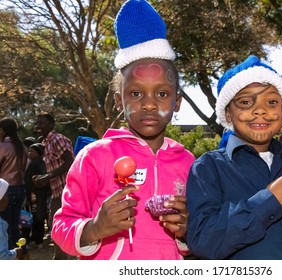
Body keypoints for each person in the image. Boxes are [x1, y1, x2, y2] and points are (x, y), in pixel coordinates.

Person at [51, 0, 195, 260]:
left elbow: (196, 237)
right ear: (119, 101)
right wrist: (94, 228)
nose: (149, 103)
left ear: (177, 102)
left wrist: (187, 233)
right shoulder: (94, 157)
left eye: (162, 93)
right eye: (136, 93)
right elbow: (61, 226)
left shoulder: (189, 163)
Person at [186, 55, 282, 260]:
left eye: (272, 101)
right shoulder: (208, 168)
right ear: (228, 114)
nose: (260, 110)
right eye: (246, 102)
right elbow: (204, 241)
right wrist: (270, 199)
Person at [32, 112, 75, 259]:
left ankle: (62, 257)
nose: (38, 126)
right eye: (37, 123)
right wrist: (43, 177)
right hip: (57, 191)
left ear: (52, 124)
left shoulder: (57, 139)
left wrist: (48, 176)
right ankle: (63, 256)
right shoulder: (46, 143)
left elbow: (70, 161)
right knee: (56, 224)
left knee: (56, 224)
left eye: (42, 123)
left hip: (67, 190)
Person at [0, 117, 28, 249]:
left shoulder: (3, 147)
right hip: (20, 188)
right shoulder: (22, 147)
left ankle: (8, 255)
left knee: (4, 226)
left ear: (3, 130)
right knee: (15, 225)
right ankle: (20, 251)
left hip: (5, 190)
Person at [24, 143, 50, 248]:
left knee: (37, 218)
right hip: (36, 195)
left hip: (36, 195)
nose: (29, 153)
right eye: (29, 150)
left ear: (39, 153)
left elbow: (35, 181)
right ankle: (36, 239)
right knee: (35, 218)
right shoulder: (34, 163)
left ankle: (37, 240)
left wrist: (31, 192)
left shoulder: (37, 164)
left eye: (32, 151)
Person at [0, 178, 23, 260]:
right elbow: (2, 255)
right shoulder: (1, 224)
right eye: (6, 195)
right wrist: (15, 253)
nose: (8, 198)